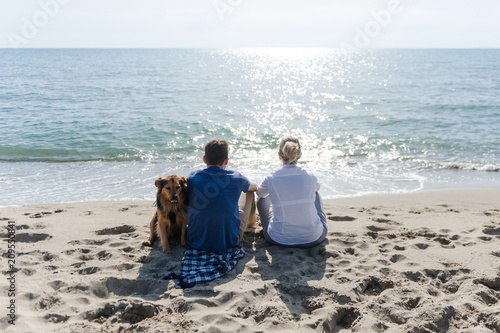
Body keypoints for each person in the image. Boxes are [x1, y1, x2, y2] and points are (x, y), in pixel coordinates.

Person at [166, 139, 257, 288]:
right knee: (249, 193)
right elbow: (254, 187)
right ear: (226, 160)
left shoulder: (193, 177)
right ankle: (251, 224)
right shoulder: (236, 177)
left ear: (204, 159)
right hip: (229, 241)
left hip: (196, 241)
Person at [256, 136, 327, 248]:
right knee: (316, 193)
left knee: (261, 198)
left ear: (279, 155)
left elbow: (260, 194)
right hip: (313, 237)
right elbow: (317, 188)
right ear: (299, 155)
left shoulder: (271, 178)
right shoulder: (309, 175)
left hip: (279, 239)